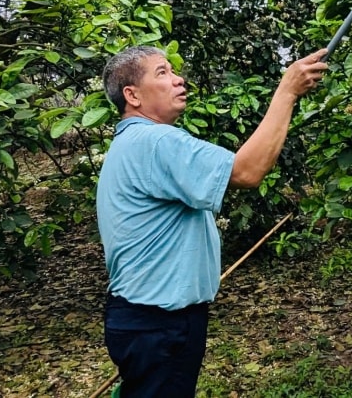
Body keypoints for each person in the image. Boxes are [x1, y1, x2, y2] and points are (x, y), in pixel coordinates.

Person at [96, 45, 327, 397]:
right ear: (133, 95)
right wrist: (287, 91)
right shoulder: (156, 142)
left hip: (142, 321)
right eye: (162, 73)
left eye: (173, 71)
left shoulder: (130, 143)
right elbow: (247, 171)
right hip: (159, 325)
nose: (178, 79)